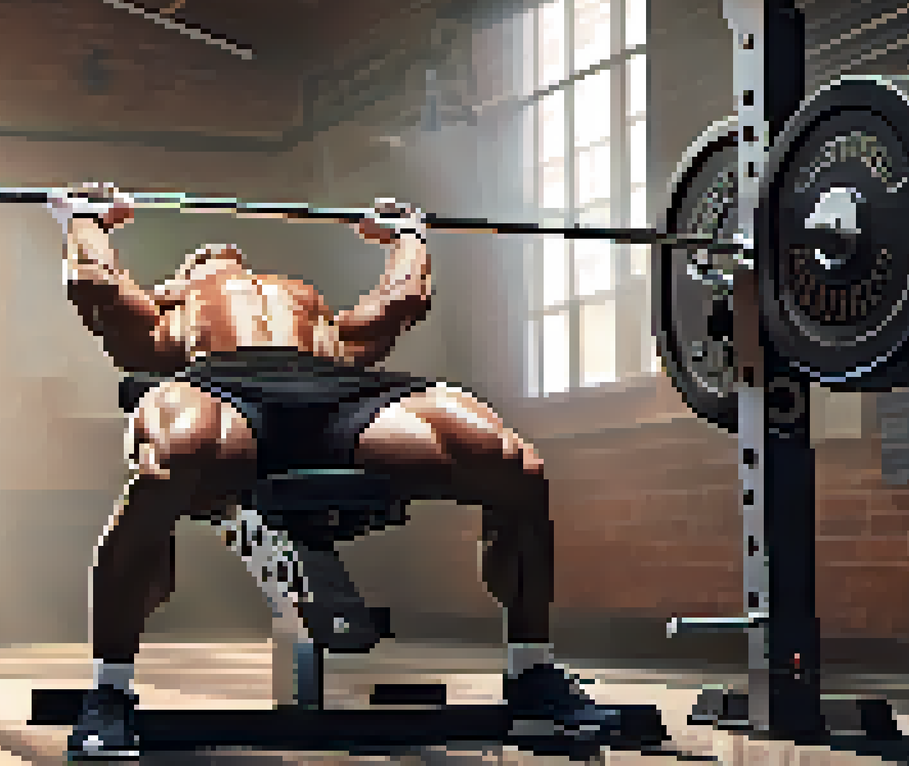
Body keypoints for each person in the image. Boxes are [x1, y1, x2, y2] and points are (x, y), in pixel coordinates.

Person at [51, 183, 621, 759]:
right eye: (199, 258)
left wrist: (407, 237)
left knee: (513, 465)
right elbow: (94, 283)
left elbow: (403, 300)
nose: (222, 252)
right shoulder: (169, 312)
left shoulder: (311, 306)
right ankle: (110, 692)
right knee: (171, 463)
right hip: (221, 386)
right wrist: (85, 219)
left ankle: (533, 674)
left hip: (340, 391)